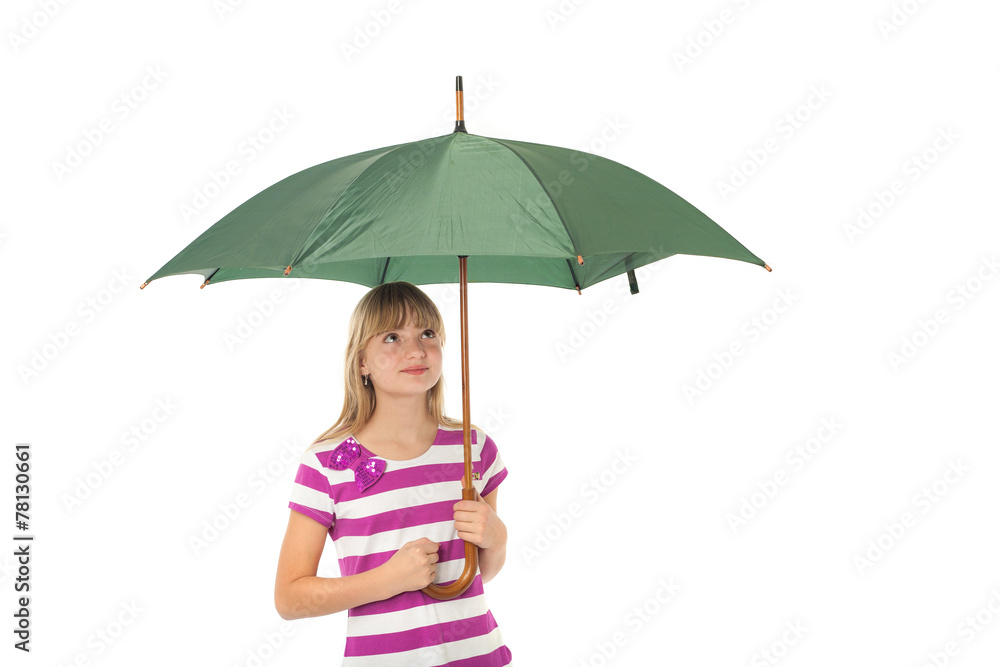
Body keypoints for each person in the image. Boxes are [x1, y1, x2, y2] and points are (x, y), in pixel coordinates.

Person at [274, 281, 512, 665]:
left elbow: (480, 571)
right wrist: (388, 580)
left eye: (427, 333)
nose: (416, 350)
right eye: (392, 337)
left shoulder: (474, 447)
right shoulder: (326, 464)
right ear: (362, 362)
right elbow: (289, 598)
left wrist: (497, 539)